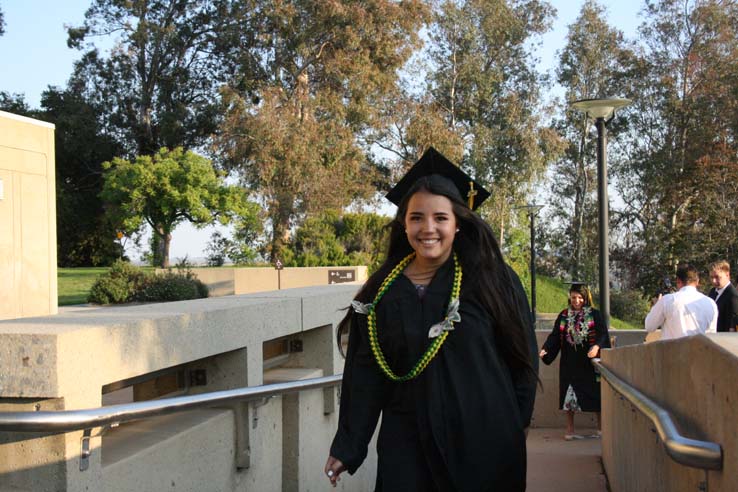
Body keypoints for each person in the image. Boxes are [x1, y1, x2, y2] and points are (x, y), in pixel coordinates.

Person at [324, 147, 538, 491]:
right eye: (416, 217)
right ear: (404, 224)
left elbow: (522, 357)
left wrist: (518, 422)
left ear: (457, 225)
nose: (428, 228)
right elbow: (365, 373)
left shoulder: (492, 280)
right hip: (407, 443)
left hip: (483, 438)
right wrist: (348, 446)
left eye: (440, 218)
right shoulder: (382, 291)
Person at [539, 282, 610, 440]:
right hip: (569, 361)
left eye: (579, 297)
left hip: (588, 362)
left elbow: (603, 334)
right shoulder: (564, 315)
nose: (576, 301)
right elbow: (556, 336)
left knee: (595, 393)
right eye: (573, 297)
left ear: (585, 298)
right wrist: (546, 349)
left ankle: (600, 428)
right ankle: (570, 429)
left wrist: (597, 346)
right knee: (568, 396)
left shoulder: (594, 314)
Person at [644, 263, 717, 339]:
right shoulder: (711, 303)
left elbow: (649, 326)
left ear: (678, 281)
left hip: (673, 349)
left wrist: (657, 305)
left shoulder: (667, 300)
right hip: (699, 349)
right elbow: (711, 335)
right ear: (697, 281)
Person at [707, 260, 738, 332]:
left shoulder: (733, 296)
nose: (714, 281)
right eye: (711, 277)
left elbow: (732, 326)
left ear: (727, 275)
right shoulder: (712, 292)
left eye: (717, 277)